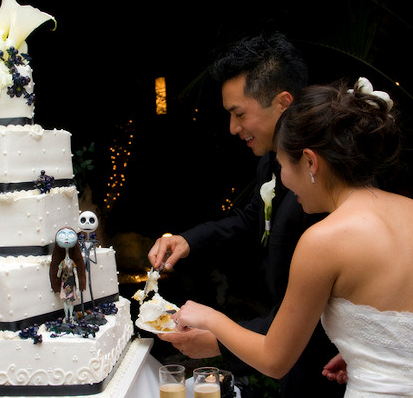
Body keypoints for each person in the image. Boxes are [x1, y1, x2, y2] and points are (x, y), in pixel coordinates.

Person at [172, 78, 413, 397]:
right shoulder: (408, 209)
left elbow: (275, 361)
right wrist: (367, 349)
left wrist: (212, 319)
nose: (283, 179)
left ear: (311, 162)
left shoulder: (324, 239)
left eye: (284, 165)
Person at [148, 33, 345, 397]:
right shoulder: (272, 165)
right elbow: (250, 217)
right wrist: (188, 241)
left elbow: (317, 317)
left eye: (239, 114)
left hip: (328, 366)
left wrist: (221, 339)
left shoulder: (325, 190)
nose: (233, 129)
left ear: (283, 103)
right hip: (292, 355)